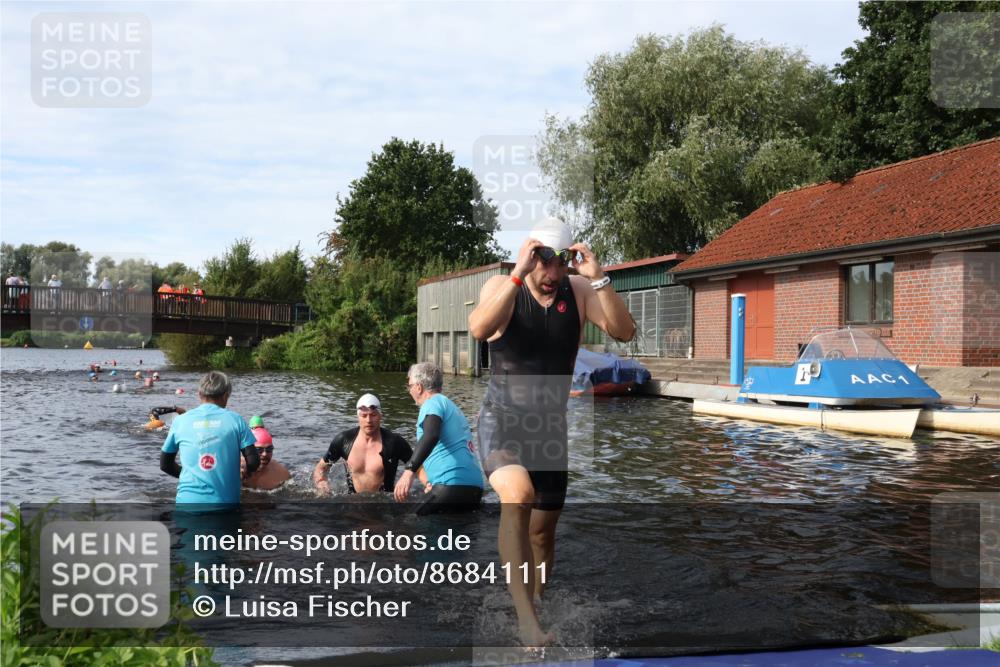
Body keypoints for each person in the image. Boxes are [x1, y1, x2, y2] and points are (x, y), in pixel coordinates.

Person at [467, 217, 635, 646]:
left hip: (549, 429)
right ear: (530, 256)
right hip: (501, 420)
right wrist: (517, 275)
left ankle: (534, 601)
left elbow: (624, 331)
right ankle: (527, 623)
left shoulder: (577, 291)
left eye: (562, 265)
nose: (553, 276)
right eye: (545, 265)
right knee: (517, 496)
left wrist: (599, 280)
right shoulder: (504, 286)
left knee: (542, 534)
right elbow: (479, 329)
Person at [394, 362, 483, 514]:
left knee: (408, 522)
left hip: (451, 484)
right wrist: (430, 481)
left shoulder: (431, 403)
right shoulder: (453, 408)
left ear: (419, 387)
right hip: (474, 487)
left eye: (410, 386)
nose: (409, 391)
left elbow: (431, 435)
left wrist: (409, 471)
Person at [159, 371, 259, 505]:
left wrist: (190, 476)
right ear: (226, 395)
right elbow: (253, 462)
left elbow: (165, 465)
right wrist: (245, 473)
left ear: (199, 394)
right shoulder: (236, 420)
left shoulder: (180, 421)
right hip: (225, 505)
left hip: (187, 504)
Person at [313, 394, 412, 495]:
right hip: (353, 502)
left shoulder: (394, 442)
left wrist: (414, 479)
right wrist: (321, 483)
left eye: (373, 415)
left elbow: (418, 465)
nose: (368, 420)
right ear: (358, 417)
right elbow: (321, 468)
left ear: (380, 416)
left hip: (384, 502)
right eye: (364, 416)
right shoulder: (343, 440)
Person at [242, 416, 291, 490]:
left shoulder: (281, 474)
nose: (265, 454)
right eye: (259, 450)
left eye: (269, 449)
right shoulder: (235, 468)